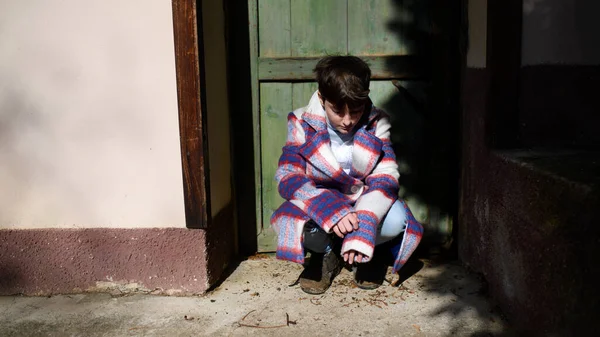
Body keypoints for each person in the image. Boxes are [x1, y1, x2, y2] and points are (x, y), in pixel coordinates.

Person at [270, 55, 423, 295]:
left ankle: (369, 251)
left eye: (356, 110)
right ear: (322, 98)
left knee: (396, 221)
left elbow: (386, 176)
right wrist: (328, 208)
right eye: (337, 110)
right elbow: (288, 174)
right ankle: (326, 253)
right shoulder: (301, 121)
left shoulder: (377, 121)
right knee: (289, 221)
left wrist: (364, 222)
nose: (348, 120)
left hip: (364, 198)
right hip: (321, 199)